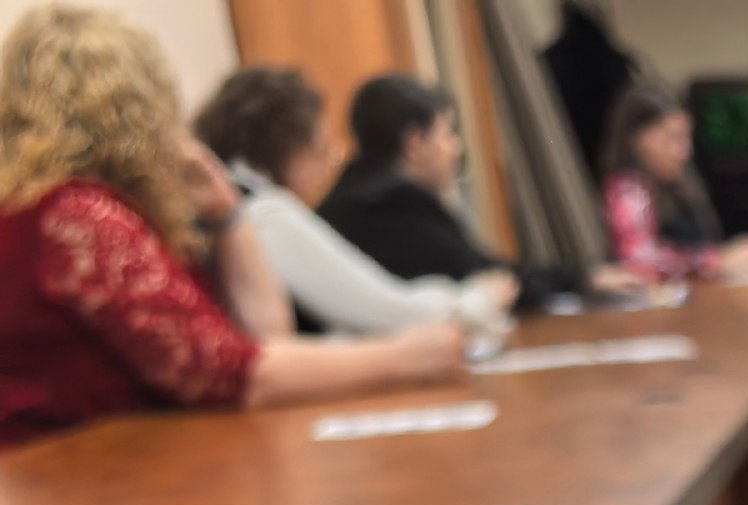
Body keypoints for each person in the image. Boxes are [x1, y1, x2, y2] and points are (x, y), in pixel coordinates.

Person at [0, 5, 461, 449]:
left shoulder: (60, 208)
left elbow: (264, 333)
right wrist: (401, 358)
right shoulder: (77, 216)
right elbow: (231, 375)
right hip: (78, 474)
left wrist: (226, 216)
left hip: (88, 466)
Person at [193, 66, 515, 339]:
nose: (329, 164)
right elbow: (393, 315)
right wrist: (481, 299)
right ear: (289, 147)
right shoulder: (265, 212)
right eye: (321, 148)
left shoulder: (230, 207)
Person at [319, 75, 636, 307]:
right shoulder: (395, 207)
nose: (455, 149)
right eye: (447, 133)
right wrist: (582, 278)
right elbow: (491, 277)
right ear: (415, 144)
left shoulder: (338, 202)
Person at [597, 86, 748, 284]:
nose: (684, 151)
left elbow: (699, 245)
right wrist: (715, 260)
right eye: (671, 139)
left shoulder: (680, 183)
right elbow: (638, 258)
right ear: (638, 141)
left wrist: (731, 253)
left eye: (686, 138)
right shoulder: (627, 189)